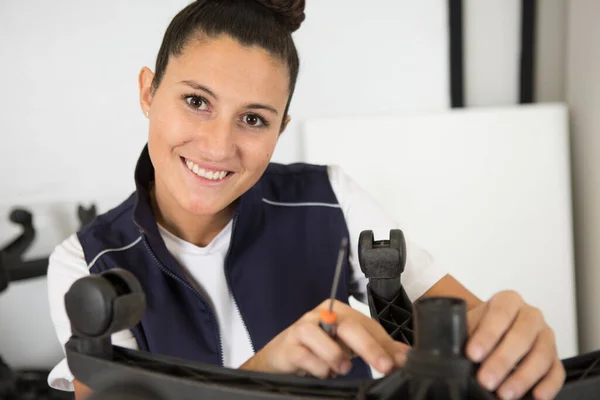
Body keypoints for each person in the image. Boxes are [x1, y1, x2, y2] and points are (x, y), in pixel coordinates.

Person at [46, 1, 565, 399]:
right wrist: (263, 377)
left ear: (280, 128)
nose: (218, 146)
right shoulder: (84, 262)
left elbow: (465, 323)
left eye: (253, 119)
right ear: (147, 91)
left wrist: (509, 335)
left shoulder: (331, 198)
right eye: (196, 101)